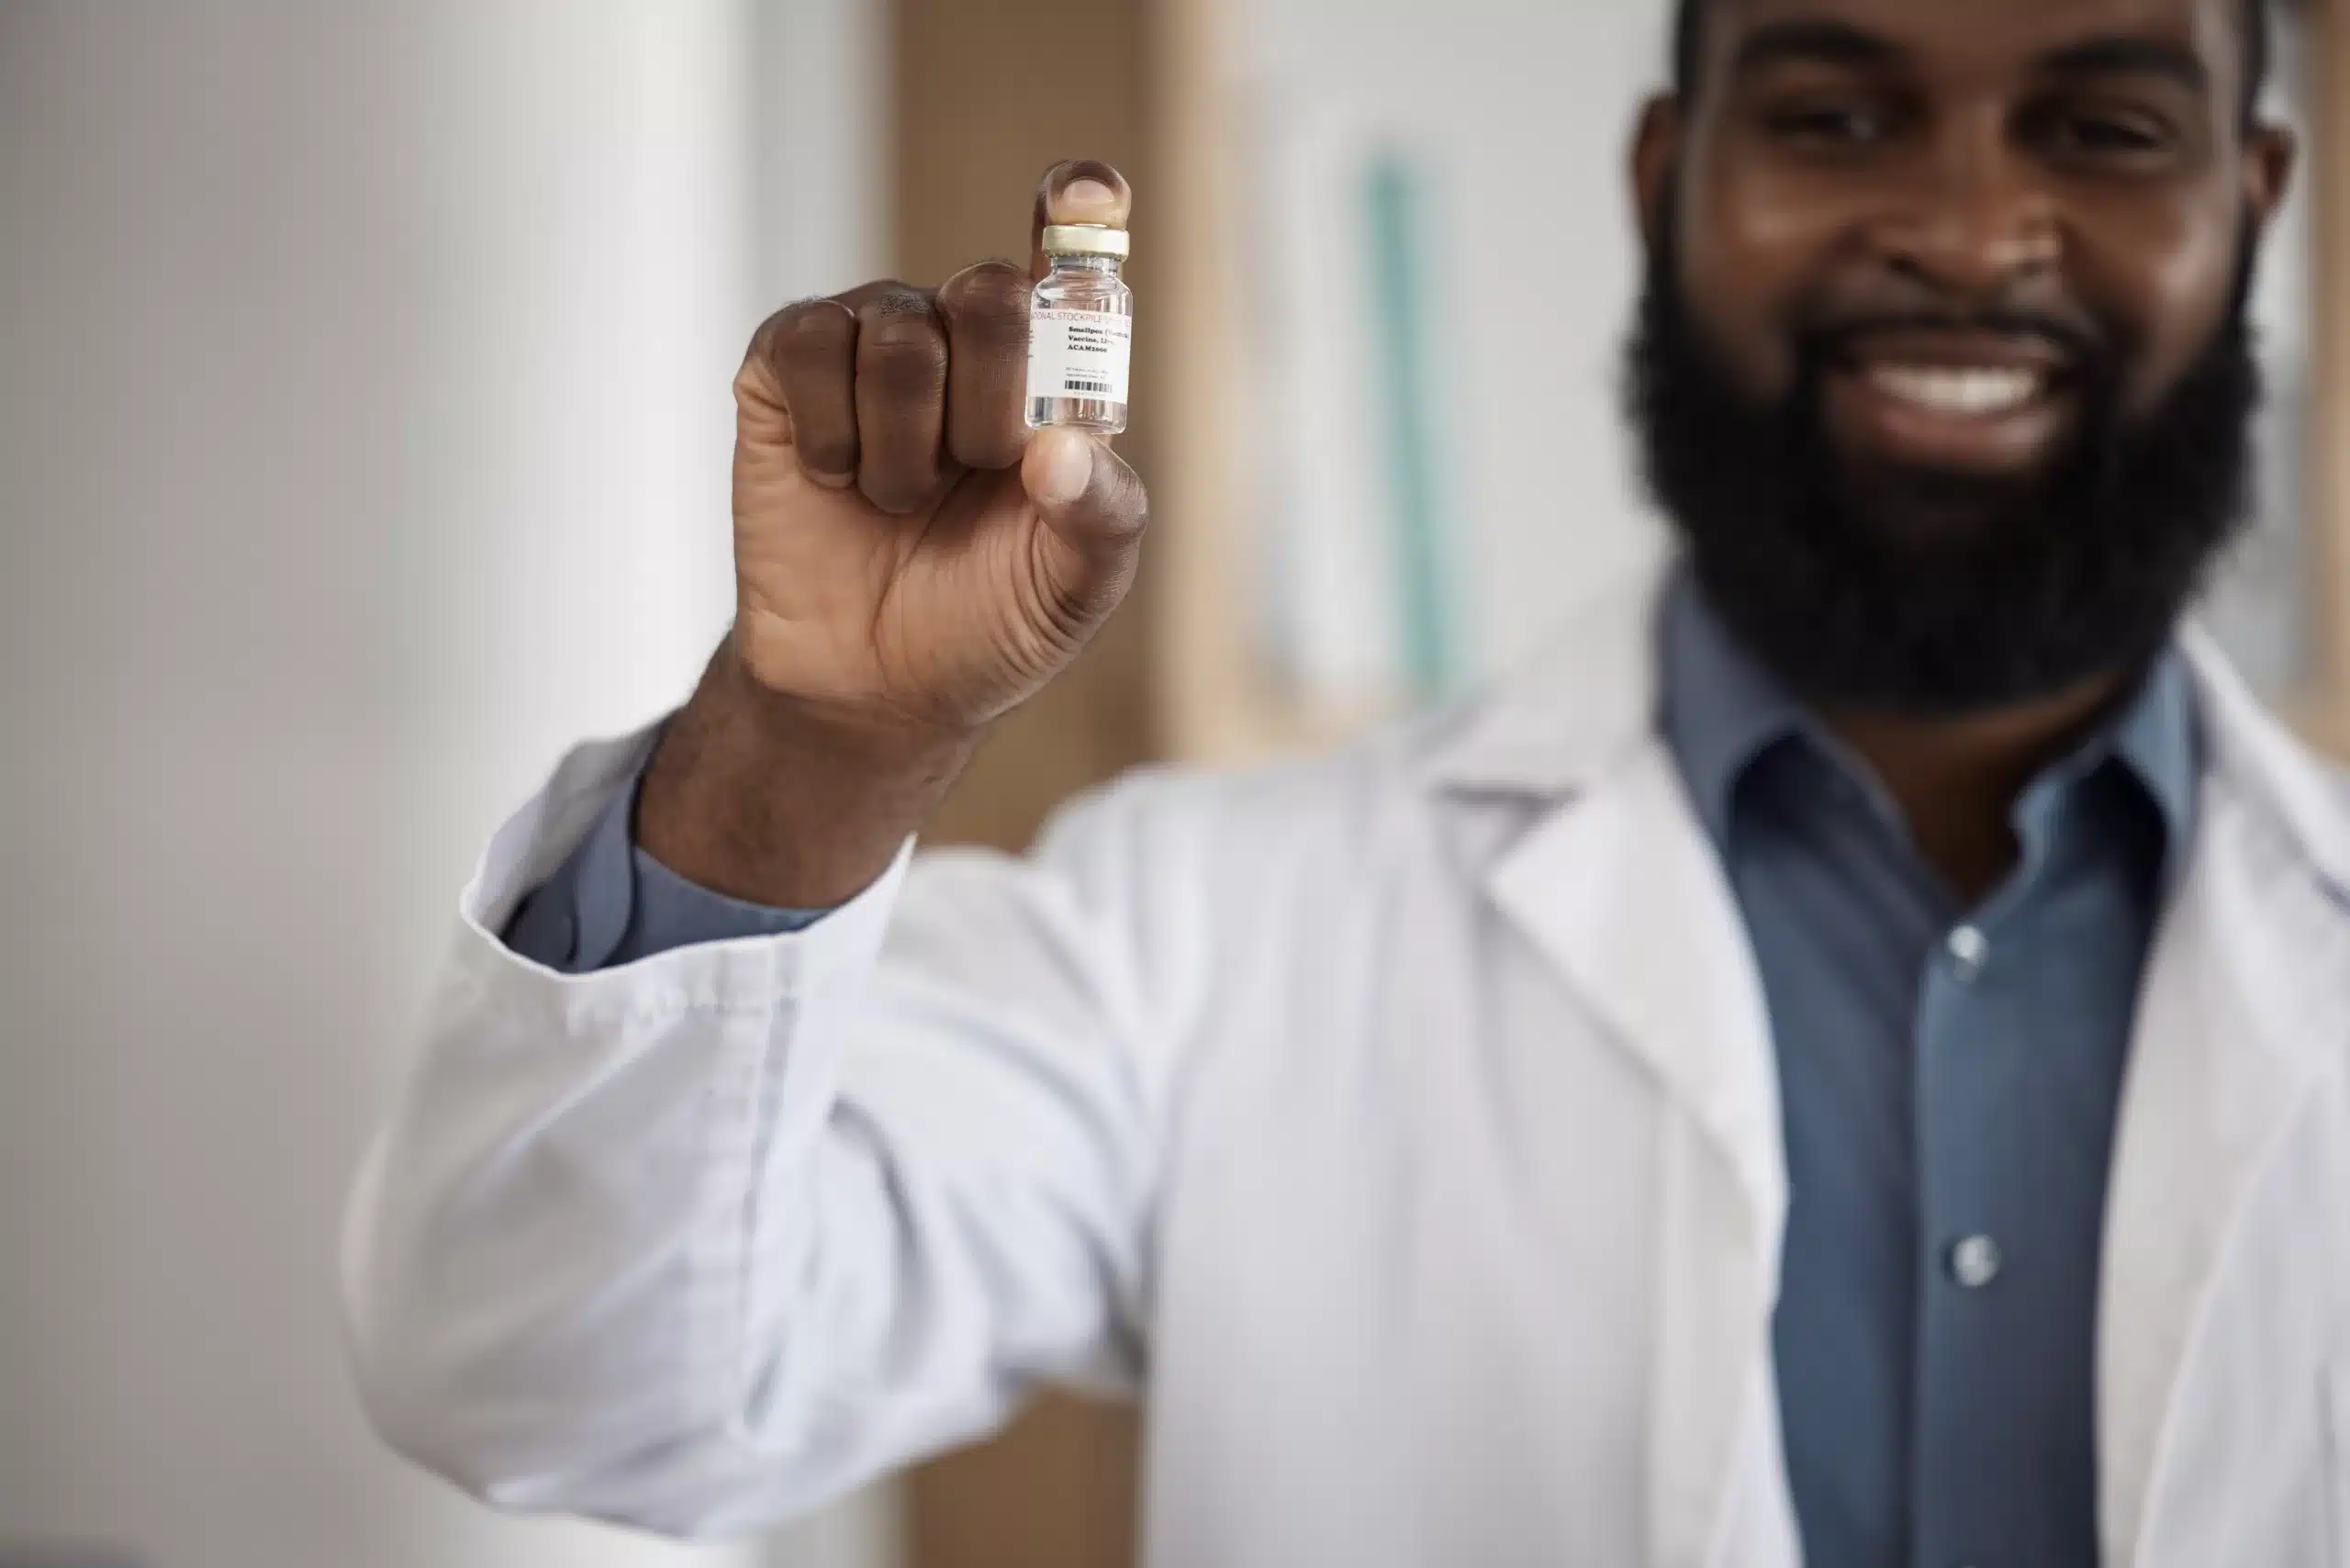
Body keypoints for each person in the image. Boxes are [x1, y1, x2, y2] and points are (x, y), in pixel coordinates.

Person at [341, 0, 2350, 1562]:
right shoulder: (1209, 932)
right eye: (1832, 116)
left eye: (2102, 129)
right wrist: (812, 747)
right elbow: (557, 1381)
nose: (1963, 226)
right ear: (1663, 179)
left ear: (2252, 201)